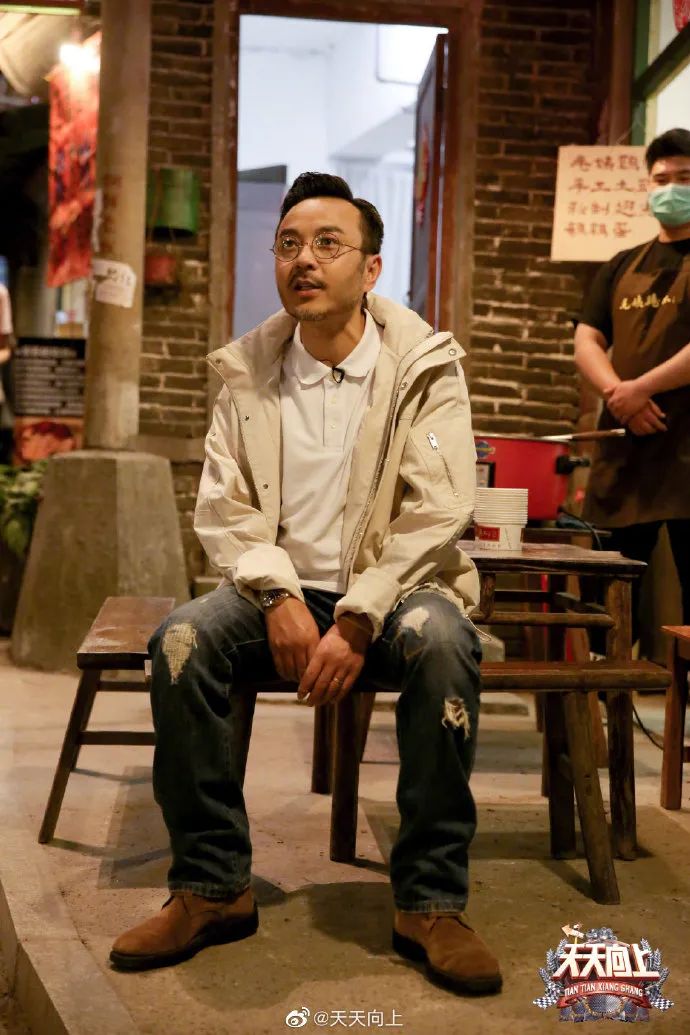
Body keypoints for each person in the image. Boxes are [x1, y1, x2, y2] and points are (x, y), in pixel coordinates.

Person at [110, 172, 502, 995]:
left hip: (396, 591)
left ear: (371, 268)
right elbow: (224, 508)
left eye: (328, 244)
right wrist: (279, 596)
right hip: (277, 592)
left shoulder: (424, 369)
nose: (305, 260)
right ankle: (212, 885)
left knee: (443, 642)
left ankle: (430, 901)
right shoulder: (248, 372)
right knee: (182, 640)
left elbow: (440, 510)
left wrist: (360, 615)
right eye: (289, 244)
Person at [575, 128, 690, 638]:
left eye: (684, 177)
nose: (671, 188)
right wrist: (617, 394)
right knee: (608, 590)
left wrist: (641, 388)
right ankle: (606, 681)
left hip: (686, 449)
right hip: (625, 448)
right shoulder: (622, 263)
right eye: (661, 179)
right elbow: (587, 338)